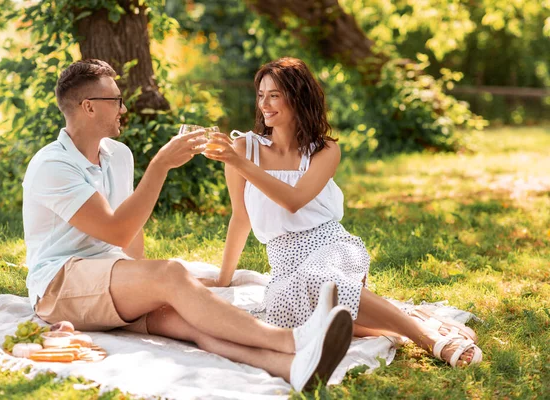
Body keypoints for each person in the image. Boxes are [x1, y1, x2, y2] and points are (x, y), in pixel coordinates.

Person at [21, 58, 356, 392]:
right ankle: (294, 341)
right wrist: (160, 166)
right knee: (171, 273)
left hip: (108, 279)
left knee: (193, 319)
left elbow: (130, 229)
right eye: (116, 100)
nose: (124, 108)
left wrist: (140, 279)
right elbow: (116, 230)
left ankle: (293, 367)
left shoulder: (117, 154)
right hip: (60, 284)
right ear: (89, 107)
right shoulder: (53, 164)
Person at [202, 57, 482, 368]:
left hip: (330, 245)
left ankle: (429, 340)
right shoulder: (244, 149)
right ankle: (410, 319)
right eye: (260, 94)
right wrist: (223, 279)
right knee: (285, 318)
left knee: (321, 279)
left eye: (274, 95)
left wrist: (241, 165)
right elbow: (241, 217)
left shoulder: (324, 150)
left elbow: (294, 200)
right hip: (283, 259)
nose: (264, 104)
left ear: (297, 97)